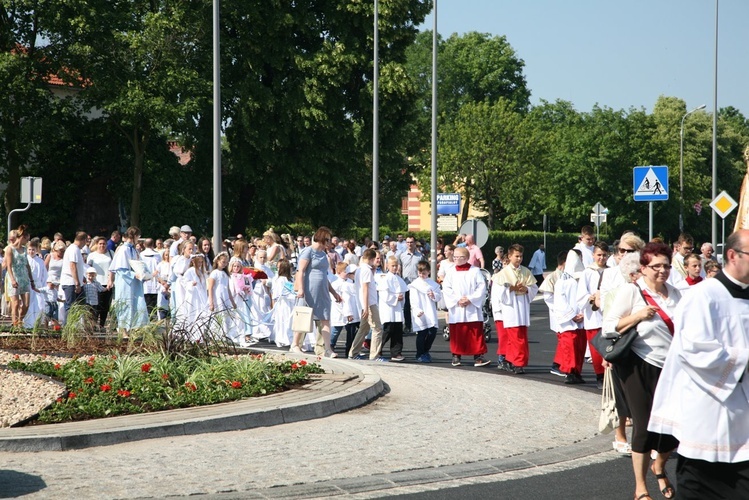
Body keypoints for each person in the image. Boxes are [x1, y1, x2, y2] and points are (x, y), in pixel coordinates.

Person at [648, 230, 749, 499]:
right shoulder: (703, 296)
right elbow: (693, 349)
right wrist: (743, 358)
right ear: (732, 256)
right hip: (712, 414)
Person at [602, 242, 681, 500]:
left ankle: (659, 468)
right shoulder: (632, 292)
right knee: (645, 427)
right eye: (656, 266)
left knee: (674, 427)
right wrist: (638, 316)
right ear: (644, 268)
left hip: (671, 368)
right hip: (637, 365)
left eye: (666, 265)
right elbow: (608, 328)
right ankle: (640, 488)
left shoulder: (677, 295)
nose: (662, 271)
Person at [293, 226, 341, 357]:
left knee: (325, 319)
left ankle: (327, 349)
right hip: (309, 290)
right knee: (304, 317)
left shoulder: (324, 255)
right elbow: (300, 271)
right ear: (322, 239)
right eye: (328, 240)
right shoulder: (308, 252)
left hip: (322, 291)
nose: (330, 243)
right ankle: (295, 344)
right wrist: (301, 288)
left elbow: (324, 276)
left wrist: (334, 292)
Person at [442, 247, 491, 368]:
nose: (457, 259)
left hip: (472, 307)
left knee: (475, 332)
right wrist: (458, 299)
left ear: (467, 258)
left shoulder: (475, 271)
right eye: (455, 257)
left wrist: (470, 299)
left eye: (460, 257)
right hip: (457, 307)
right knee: (458, 333)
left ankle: (478, 357)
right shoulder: (451, 271)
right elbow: (447, 288)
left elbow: (481, 287)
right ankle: (456, 356)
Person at [493, 244, 538, 374]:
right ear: (510, 256)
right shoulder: (503, 273)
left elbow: (534, 288)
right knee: (515, 336)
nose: (519, 259)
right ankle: (518, 363)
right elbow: (498, 293)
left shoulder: (526, 271)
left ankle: (510, 360)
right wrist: (511, 288)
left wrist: (526, 289)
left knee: (521, 334)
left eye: (521, 256)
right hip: (510, 307)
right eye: (516, 256)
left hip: (522, 305)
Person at [576, 241, 609, 388]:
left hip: (608, 315)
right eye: (599, 255)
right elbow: (580, 293)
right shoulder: (587, 272)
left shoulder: (611, 271)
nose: (601, 258)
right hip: (593, 315)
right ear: (593, 255)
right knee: (596, 349)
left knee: (608, 347)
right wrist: (590, 297)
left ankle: (609, 375)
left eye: (604, 255)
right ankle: (599, 375)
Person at [108, 227, 148, 333]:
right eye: (138, 236)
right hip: (125, 282)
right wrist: (134, 274)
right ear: (134, 236)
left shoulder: (133, 249)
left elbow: (138, 264)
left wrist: (144, 273)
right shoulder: (124, 249)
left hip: (134, 282)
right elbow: (120, 269)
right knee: (125, 303)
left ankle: (133, 328)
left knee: (136, 303)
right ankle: (123, 330)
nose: (139, 239)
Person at [348, 249, 385, 360]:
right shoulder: (366, 270)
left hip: (365, 303)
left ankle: (353, 353)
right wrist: (366, 307)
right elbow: (365, 289)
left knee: (363, 329)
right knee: (377, 328)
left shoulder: (360, 269)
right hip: (369, 303)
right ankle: (374, 355)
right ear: (372, 259)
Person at [409, 260, 441, 362]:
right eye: (420, 273)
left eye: (424, 273)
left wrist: (433, 296)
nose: (422, 275)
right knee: (422, 333)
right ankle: (419, 354)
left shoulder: (432, 284)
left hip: (430, 310)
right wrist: (417, 310)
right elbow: (413, 300)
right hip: (421, 311)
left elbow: (439, 296)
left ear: (428, 272)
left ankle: (426, 351)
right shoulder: (415, 284)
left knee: (432, 332)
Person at [378, 256, 408, 362]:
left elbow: (403, 291)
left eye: (396, 266)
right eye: (393, 266)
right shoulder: (385, 279)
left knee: (397, 332)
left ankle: (396, 353)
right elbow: (384, 294)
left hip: (398, 309)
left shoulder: (399, 279)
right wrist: (395, 298)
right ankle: (378, 349)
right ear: (387, 266)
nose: (395, 268)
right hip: (388, 309)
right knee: (387, 331)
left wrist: (401, 298)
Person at [4, 226, 34, 327]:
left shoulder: (25, 250)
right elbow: (8, 265)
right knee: (15, 304)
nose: (27, 241)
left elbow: (27, 265)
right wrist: (12, 279)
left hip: (24, 278)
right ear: (22, 237)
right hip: (15, 278)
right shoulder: (10, 249)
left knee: (26, 304)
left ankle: (19, 321)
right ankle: (15, 324)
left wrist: (32, 280)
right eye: (27, 239)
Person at [330, 263, 360, 356]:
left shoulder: (349, 283)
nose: (346, 273)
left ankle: (350, 349)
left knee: (351, 331)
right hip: (339, 310)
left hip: (348, 311)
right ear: (339, 272)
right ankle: (330, 346)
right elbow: (334, 298)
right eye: (344, 271)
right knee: (336, 330)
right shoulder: (335, 283)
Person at [207, 252, 236, 341]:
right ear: (218, 261)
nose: (225, 264)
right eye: (223, 262)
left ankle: (226, 334)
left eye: (226, 262)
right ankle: (217, 335)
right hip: (217, 296)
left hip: (225, 297)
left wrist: (232, 302)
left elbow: (228, 289)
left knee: (226, 315)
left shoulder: (225, 274)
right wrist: (211, 302)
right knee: (219, 315)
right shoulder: (214, 273)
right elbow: (210, 288)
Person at [87, 236, 115, 329]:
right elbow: (88, 268)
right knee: (95, 305)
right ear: (97, 244)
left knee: (105, 305)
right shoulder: (92, 255)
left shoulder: (111, 253)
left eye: (104, 244)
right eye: (100, 244)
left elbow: (114, 268)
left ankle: (101, 325)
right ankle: (93, 324)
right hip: (95, 283)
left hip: (107, 283)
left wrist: (111, 280)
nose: (102, 245)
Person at [397, 235, 422, 334]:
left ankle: (418, 325)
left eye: (411, 242)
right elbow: (399, 268)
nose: (409, 244)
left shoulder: (419, 256)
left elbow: (422, 269)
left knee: (417, 305)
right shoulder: (402, 255)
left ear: (415, 243)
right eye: (407, 242)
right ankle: (407, 326)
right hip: (406, 284)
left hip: (416, 284)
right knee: (407, 306)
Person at [61, 231, 88, 316]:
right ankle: (67, 327)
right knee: (71, 306)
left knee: (80, 305)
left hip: (75, 282)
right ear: (83, 240)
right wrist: (77, 283)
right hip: (71, 282)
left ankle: (75, 326)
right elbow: (72, 266)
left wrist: (81, 278)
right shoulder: (74, 249)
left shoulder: (75, 249)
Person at [270, 260, 295, 347]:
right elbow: (279, 293)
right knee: (282, 321)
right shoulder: (280, 280)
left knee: (290, 321)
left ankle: (289, 338)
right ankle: (281, 339)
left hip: (291, 303)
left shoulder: (291, 279)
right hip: (283, 303)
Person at [24, 238, 47, 328]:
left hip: (37, 285)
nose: (31, 251)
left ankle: (37, 323)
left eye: (33, 249)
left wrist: (43, 287)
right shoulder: (25, 259)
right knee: (29, 304)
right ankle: (28, 324)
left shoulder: (40, 261)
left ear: (36, 249)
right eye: (29, 249)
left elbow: (44, 275)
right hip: (28, 285)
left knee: (39, 305)